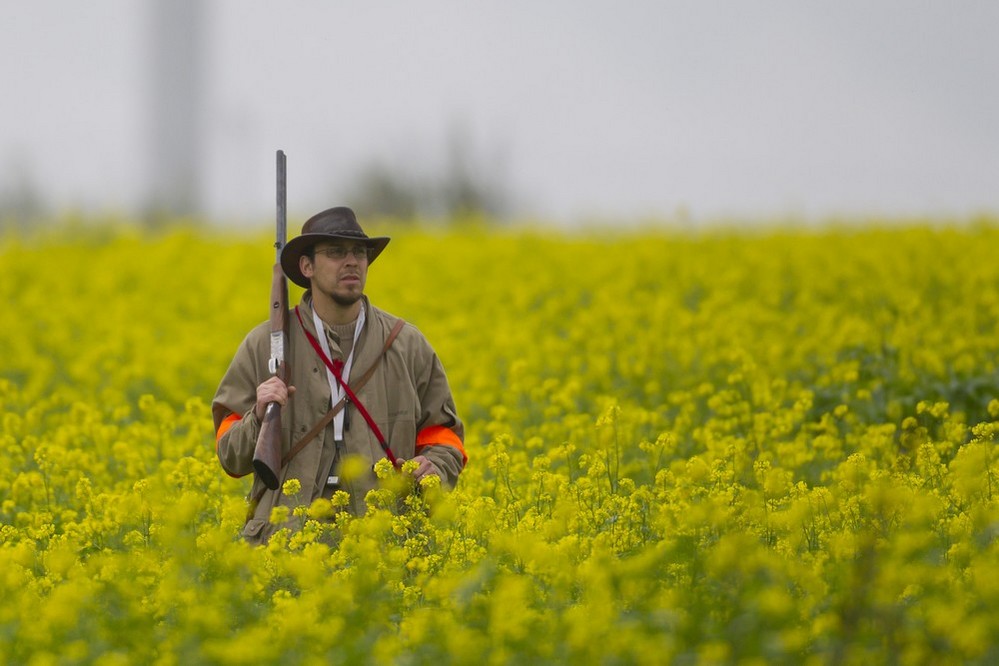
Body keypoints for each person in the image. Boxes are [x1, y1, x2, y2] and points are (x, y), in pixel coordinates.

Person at [212, 206, 466, 544]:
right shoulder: (265, 345)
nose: (352, 262)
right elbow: (230, 457)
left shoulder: (407, 344)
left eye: (359, 253)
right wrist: (258, 416)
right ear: (307, 266)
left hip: (384, 543)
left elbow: (444, 437)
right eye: (335, 252)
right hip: (286, 543)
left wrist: (435, 465)